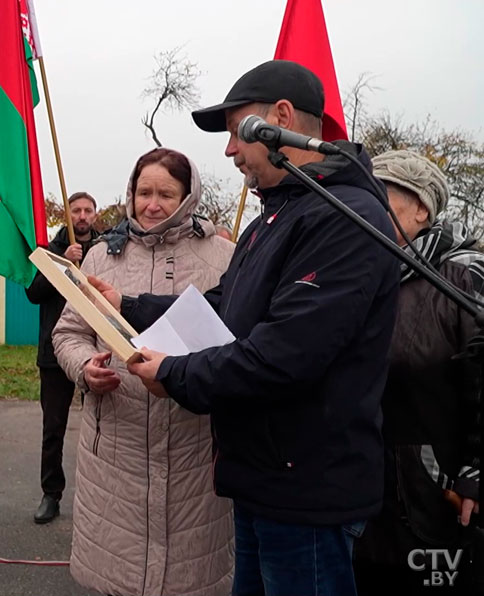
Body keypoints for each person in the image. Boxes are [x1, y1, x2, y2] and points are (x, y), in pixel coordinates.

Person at [89, 60, 401, 596]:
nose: (230, 150)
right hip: (263, 479)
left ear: (280, 118)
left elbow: (285, 354)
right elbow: (220, 306)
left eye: (237, 132)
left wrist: (176, 373)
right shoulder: (275, 219)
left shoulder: (343, 218)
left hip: (305, 493)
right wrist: (128, 304)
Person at [51, 150, 235, 594]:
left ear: (188, 197)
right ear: (130, 195)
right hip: (115, 451)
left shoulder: (225, 256)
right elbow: (68, 333)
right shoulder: (97, 259)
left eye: (166, 194)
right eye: (143, 192)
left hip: (193, 452)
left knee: (191, 581)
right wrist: (83, 368)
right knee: (117, 578)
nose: (152, 204)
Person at [353, 150, 484, 595]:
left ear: (421, 209)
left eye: (380, 195)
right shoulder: (356, 274)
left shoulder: (464, 277)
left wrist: (476, 471)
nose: (365, 206)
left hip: (438, 499)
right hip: (359, 497)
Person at [24, 191, 101, 524]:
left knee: (102, 428)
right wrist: (65, 265)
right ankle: (50, 494)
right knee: (53, 428)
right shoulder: (49, 252)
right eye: (76, 211)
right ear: (67, 215)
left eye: (87, 210)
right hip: (55, 355)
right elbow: (33, 293)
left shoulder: (108, 248)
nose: (82, 216)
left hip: (97, 352)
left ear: (95, 215)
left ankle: (99, 496)